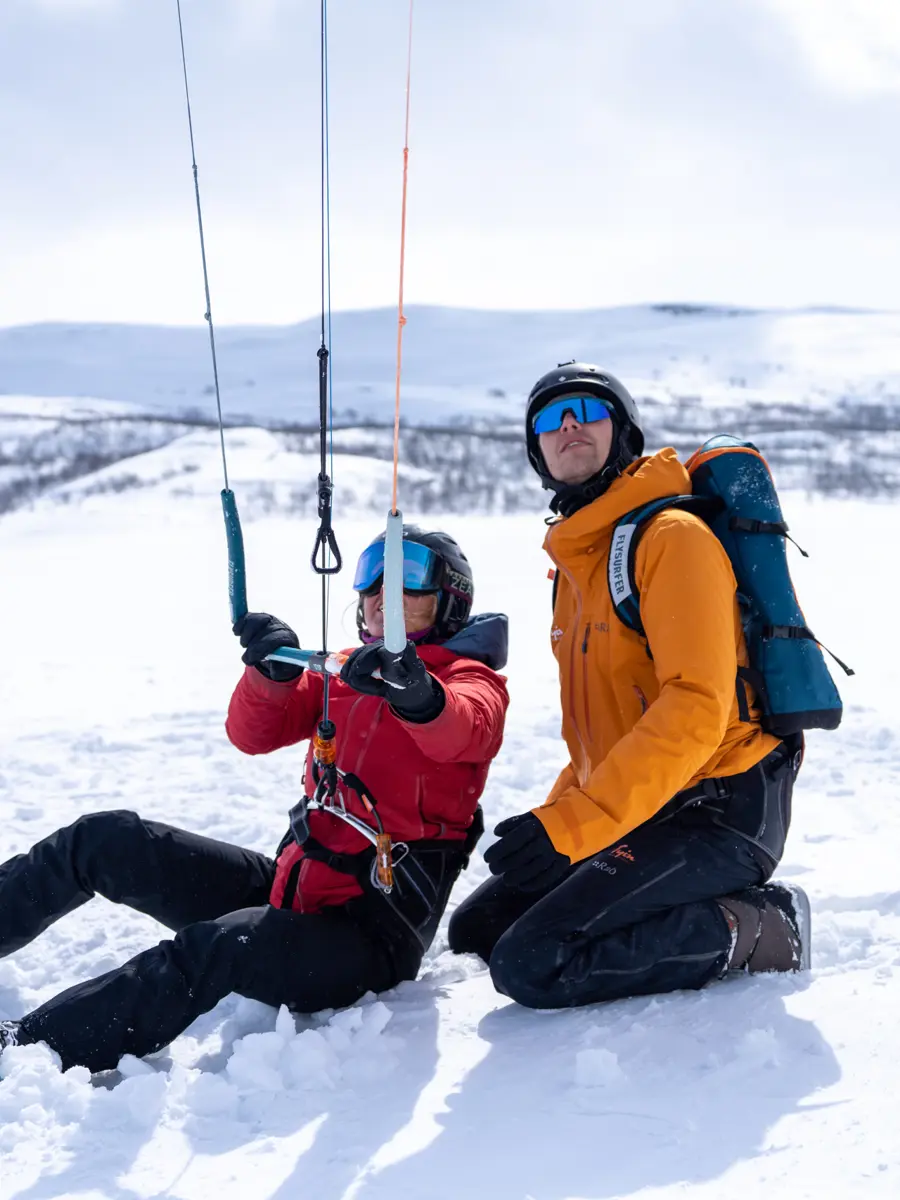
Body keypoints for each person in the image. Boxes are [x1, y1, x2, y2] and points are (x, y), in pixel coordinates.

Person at [0, 526, 508, 1072]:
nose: (383, 599)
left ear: (449, 601)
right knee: (105, 839)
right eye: (372, 583)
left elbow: (465, 726)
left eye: (408, 585)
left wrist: (417, 694)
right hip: (293, 890)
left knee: (219, 946)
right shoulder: (347, 670)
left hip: (369, 936)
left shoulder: (469, 680)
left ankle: (29, 1049)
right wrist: (271, 675)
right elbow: (253, 734)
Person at [449, 362, 808, 1009]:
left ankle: (761, 925)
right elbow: (607, 730)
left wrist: (579, 825)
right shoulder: (579, 564)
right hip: (652, 803)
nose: (568, 428)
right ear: (537, 451)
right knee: (480, 928)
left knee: (534, 961)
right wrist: (557, 817)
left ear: (625, 434)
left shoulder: (672, 539)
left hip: (721, 808)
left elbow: (695, 709)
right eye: (549, 420)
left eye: (587, 410)